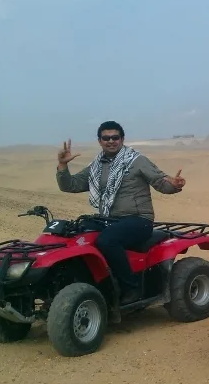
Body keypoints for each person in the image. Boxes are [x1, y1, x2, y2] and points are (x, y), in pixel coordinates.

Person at [56, 120, 186, 304]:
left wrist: (174, 185)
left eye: (115, 137)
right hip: (108, 220)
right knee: (75, 233)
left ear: (122, 139)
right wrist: (62, 166)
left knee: (107, 240)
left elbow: (160, 182)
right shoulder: (96, 166)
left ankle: (131, 287)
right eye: (106, 138)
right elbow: (70, 185)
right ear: (100, 141)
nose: (111, 141)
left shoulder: (136, 160)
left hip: (138, 220)